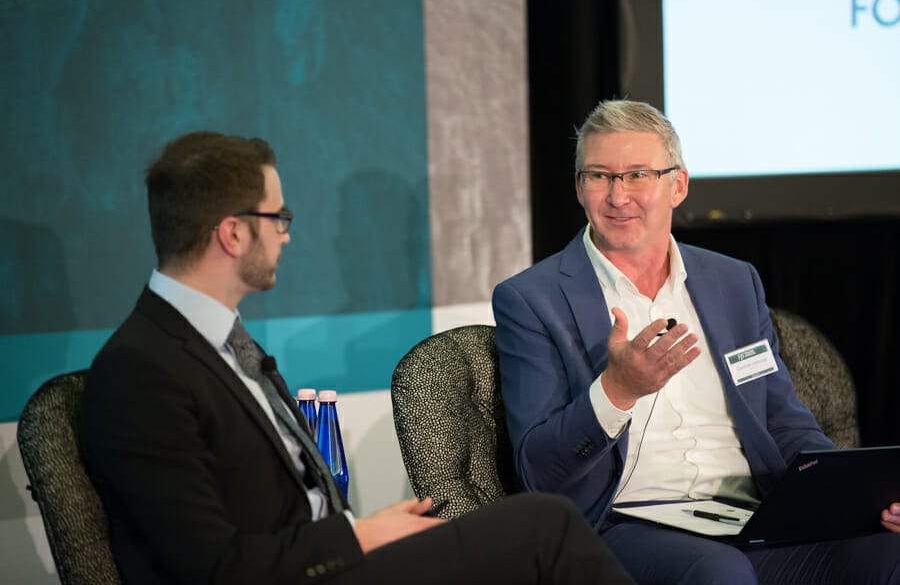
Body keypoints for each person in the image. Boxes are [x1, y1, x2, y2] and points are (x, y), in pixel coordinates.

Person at [80, 131, 633, 584]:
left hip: (339, 559)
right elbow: (213, 567)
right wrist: (359, 536)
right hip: (315, 569)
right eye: (277, 219)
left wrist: (368, 534)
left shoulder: (220, 341)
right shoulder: (140, 371)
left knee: (541, 527)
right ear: (233, 234)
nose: (285, 237)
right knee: (545, 526)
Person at [492, 99, 900, 583]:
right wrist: (617, 391)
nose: (618, 196)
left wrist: (860, 496)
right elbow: (538, 471)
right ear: (580, 187)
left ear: (678, 185)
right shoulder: (533, 299)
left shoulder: (732, 282)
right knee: (721, 572)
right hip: (623, 524)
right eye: (599, 176)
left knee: (888, 552)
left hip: (751, 516)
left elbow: (782, 421)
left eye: (638, 175)